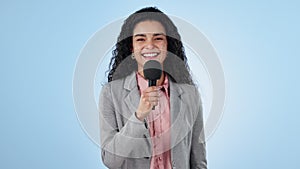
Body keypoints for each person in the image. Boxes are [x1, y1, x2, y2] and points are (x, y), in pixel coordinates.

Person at [99, 7, 207, 169]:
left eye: (158, 38)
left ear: (167, 45)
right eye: (140, 39)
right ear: (131, 49)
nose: (150, 45)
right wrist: (139, 115)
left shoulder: (190, 94)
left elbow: (199, 160)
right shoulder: (111, 93)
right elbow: (110, 160)